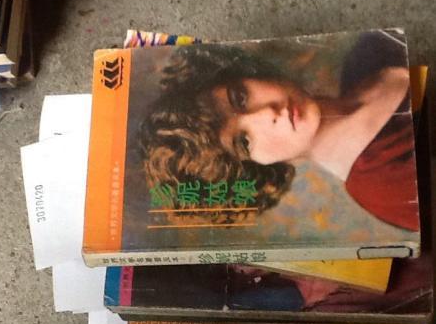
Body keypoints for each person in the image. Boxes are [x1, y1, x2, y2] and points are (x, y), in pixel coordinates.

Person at [138, 31, 419, 231]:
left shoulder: (368, 55)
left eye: (239, 97)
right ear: (257, 171)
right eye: (244, 142)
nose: (267, 114)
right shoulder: (385, 188)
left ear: (247, 74)